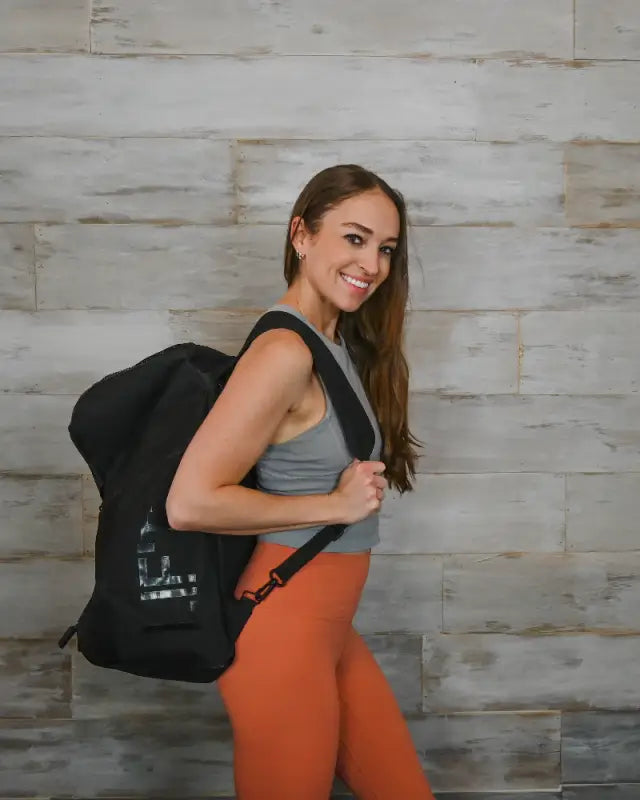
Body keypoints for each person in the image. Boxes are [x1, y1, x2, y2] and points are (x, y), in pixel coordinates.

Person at [166, 164, 435, 799]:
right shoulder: (284, 352)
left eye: (386, 249)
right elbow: (191, 501)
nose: (371, 263)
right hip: (281, 628)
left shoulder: (331, 340)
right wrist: (333, 504)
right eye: (354, 238)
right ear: (301, 234)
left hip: (328, 629)